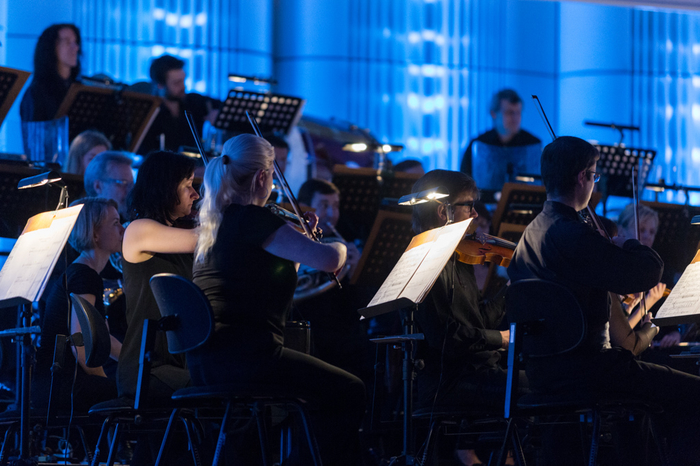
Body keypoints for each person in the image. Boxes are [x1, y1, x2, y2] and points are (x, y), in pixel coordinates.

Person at [507, 136, 700, 463]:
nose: (594, 182)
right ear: (582, 177)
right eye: (594, 175)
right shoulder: (573, 235)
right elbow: (648, 272)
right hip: (589, 370)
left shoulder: (530, 235)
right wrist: (626, 243)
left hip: (543, 372)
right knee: (694, 392)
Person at [191, 134, 364, 465]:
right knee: (350, 390)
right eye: (273, 173)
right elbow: (330, 260)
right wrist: (339, 245)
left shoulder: (215, 221)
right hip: (251, 359)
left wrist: (298, 242)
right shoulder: (254, 219)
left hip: (210, 362)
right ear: (262, 177)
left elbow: (276, 273)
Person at [116, 151, 199, 400]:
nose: (196, 194)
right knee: (220, 390)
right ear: (165, 188)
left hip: (177, 364)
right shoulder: (138, 230)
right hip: (147, 369)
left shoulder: (175, 239)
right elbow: (202, 239)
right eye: (188, 185)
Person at [33, 198, 123, 413]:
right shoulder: (84, 276)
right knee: (138, 396)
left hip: (55, 384)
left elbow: (102, 339)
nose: (123, 229)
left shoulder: (83, 272)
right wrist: (105, 381)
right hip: (65, 387)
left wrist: (139, 362)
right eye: (115, 223)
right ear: (95, 234)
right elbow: (80, 345)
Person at [138, 54, 219, 155]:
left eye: (183, 80)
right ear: (160, 85)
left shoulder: (194, 101)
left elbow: (221, 106)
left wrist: (216, 114)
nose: (183, 86)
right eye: (177, 83)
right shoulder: (149, 114)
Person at [459, 89, 541, 176]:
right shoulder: (478, 145)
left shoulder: (533, 144)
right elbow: (465, 179)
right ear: (493, 114)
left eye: (518, 112)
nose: (515, 118)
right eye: (509, 112)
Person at [20, 24, 81, 123]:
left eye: (75, 42)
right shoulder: (36, 93)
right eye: (67, 42)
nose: (75, 48)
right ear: (51, 47)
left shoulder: (79, 88)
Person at [84, 151, 134, 220]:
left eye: (131, 184)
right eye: (122, 183)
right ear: (98, 186)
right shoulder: (82, 222)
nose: (129, 190)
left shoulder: (131, 222)